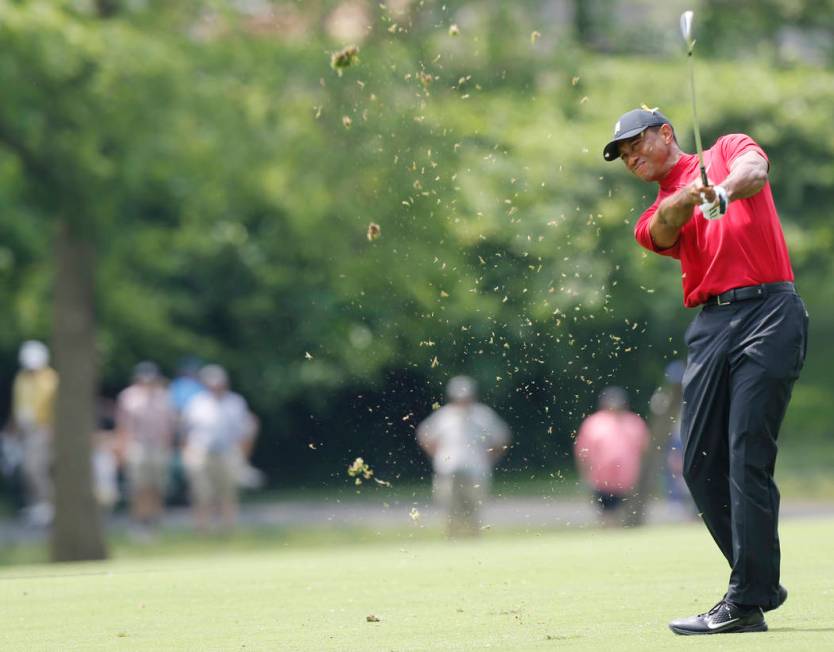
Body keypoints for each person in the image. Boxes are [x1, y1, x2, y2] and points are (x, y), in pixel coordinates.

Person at [603, 107, 808, 634]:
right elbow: (667, 226)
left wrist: (719, 188)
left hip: (770, 311)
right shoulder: (651, 218)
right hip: (713, 324)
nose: (632, 159)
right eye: (624, 157)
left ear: (666, 134)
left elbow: (754, 173)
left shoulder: (726, 150)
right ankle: (759, 580)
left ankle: (746, 599)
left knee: (746, 454)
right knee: (698, 463)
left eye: (637, 146)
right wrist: (690, 197)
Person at [416, 376, 510, 537]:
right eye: (459, 398)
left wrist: (490, 458)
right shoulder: (444, 416)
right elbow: (424, 436)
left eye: (466, 397)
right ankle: (453, 546)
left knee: (474, 512)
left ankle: (473, 546)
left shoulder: (483, 415)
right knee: (450, 512)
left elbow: (502, 438)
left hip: (476, 471)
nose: (463, 401)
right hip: (449, 471)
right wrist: (437, 456)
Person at [181, 364, 257, 531]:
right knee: (201, 494)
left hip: (227, 452)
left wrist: (243, 456)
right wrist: (187, 452)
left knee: (228, 493)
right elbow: (185, 431)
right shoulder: (196, 403)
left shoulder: (235, 402)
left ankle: (228, 529)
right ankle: (202, 531)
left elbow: (246, 431)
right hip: (201, 452)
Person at [574, 387, 650, 527]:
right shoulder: (594, 423)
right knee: (607, 514)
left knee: (627, 515)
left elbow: (644, 451)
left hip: (628, 480)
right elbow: (583, 452)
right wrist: (585, 476)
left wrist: (641, 475)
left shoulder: (634, 422)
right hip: (602, 480)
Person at [116, 361, 176, 535]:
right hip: (137, 446)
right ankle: (139, 522)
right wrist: (121, 448)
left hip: (158, 447)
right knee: (139, 487)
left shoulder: (164, 397)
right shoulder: (128, 397)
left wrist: (169, 447)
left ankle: (156, 521)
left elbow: (169, 427)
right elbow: (123, 426)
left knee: (157, 486)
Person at [10, 340, 58, 526]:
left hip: (44, 429)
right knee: (27, 469)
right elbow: (18, 405)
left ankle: (47, 505)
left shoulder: (51, 378)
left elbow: (55, 407)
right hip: (25, 430)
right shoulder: (21, 378)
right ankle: (38, 505)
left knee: (36, 468)